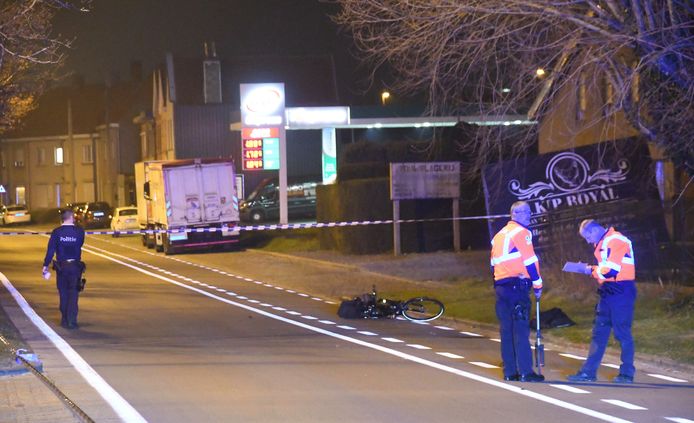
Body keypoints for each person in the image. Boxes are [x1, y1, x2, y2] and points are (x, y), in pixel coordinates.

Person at [567, 219, 637, 384]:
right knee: (599, 333)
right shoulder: (605, 242)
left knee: (622, 332)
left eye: (587, 236)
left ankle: (627, 373)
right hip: (609, 291)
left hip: (621, 291)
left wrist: (586, 269)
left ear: (593, 231)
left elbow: (610, 271)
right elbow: (606, 271)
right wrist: (590, 270)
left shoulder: (615, 240)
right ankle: (588, 372)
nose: (587, 241)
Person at [490, 201, 544, 382]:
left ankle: (510, 372)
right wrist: (537, 284)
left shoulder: (499, 235)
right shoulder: (521, 233)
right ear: (516, 213)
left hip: (501, 287)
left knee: (506, 330)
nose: (530, 215)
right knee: (521, 331)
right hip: (517, 287)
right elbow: (529, 261)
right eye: (527, 212)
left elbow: (493, 264)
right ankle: (526, 372)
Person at [42, 209, 86, 329]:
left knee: (63, 293)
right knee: (73, 294)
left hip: (61, 267)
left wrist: (45, 266)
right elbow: (81, 243)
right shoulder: (79, 231)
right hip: (75, 267)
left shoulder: (56, 232)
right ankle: (72, 320)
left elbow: (51, 250)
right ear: (72, 217)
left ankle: (65, 319)